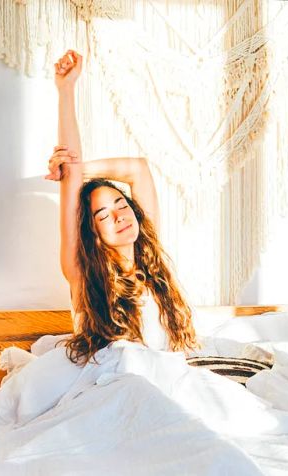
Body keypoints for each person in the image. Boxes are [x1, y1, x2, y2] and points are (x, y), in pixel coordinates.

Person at [44, 49, 199, 365]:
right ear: (94, 234)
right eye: (103, 215)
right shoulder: (82, 274)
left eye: (120, 204)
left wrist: (77, 171)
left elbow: (137, 169)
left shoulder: (151, 264)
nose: (119, 215)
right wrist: (66, 90)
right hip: (118, 386)